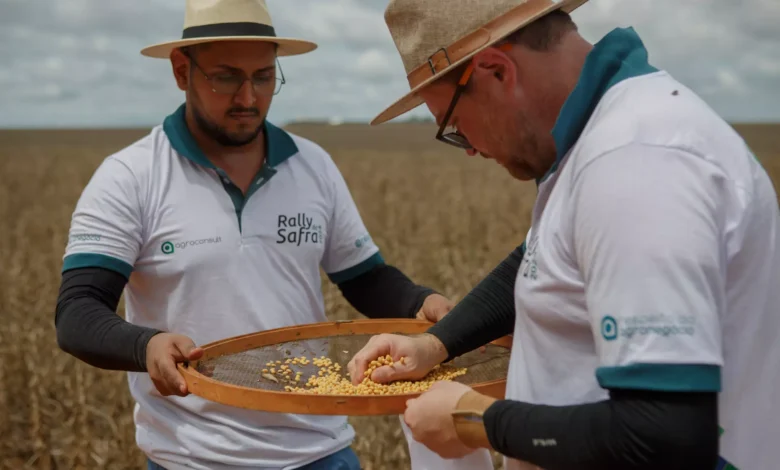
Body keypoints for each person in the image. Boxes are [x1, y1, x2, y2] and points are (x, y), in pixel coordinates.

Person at [53, 1, 497, 469]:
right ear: (182, 71)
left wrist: (417, 303)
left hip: (320, 449)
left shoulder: (312, 165)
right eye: (225, 77)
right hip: (192, 458)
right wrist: (146, 347)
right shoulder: (130, 176)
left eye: (264, 77)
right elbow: (78, 312)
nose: (248, 97)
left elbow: (364, 278)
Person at [347, 0, 780, 469]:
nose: (468, 148)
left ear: (495, 71)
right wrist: (434, 344)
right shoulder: (600, 140)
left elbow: (663, 436)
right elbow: (543, 256)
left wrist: (477, 421)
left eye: (452, 125)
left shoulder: (635, 165)